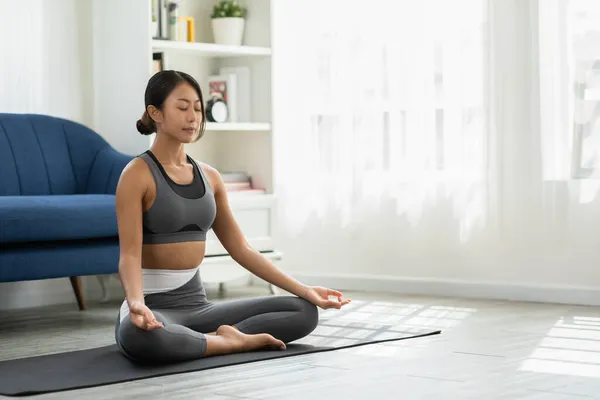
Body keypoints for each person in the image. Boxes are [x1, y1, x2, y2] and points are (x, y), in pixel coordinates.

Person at [114, 70, 351, 364]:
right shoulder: (136, 175)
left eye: (198, 108)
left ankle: (213, 340)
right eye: (182, 107)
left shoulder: (210, 177)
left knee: (303, 311)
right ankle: (227, 341)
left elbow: (241, 249)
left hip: (199, 308)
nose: (193, 117)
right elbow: (130, 255)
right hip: (154, 308)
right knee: (141, 336)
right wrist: (136, 303)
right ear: (156, 112)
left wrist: (305, 290)